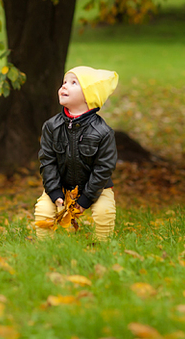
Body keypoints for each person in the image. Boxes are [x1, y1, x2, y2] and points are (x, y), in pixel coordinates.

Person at [34, 66, 119, 240]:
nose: (64, 86)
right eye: (64, 82)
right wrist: (54, 191)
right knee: (43, 210)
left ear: (89, 96)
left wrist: (87, 198)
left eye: (73, 83)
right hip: (62, 185)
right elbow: (47, 161)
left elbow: (104, 168)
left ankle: (103, 245)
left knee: (104, 212)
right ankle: (43, 246)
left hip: (96, 188)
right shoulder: (52, 126)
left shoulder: (103, 132)